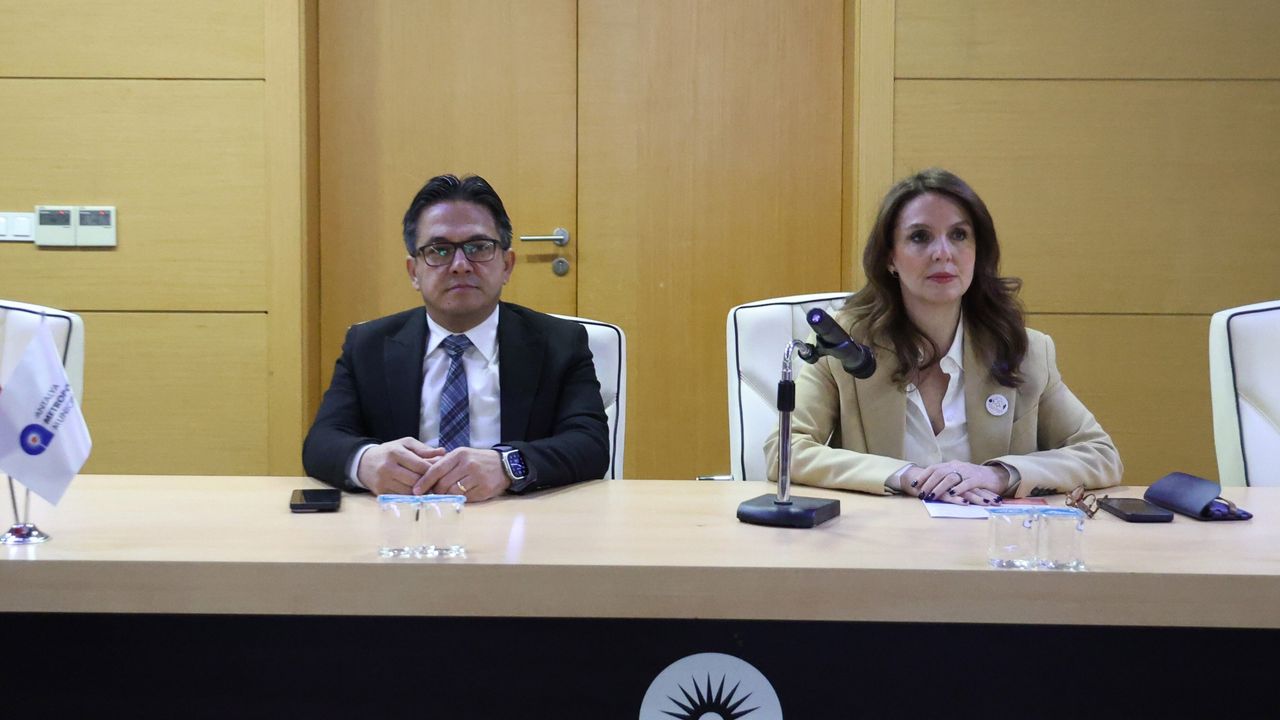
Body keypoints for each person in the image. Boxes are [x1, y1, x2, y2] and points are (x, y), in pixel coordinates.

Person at [765, 168, 1121, 504]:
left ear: (977, 252)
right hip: (880, 540)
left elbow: (1100, 454)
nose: (943, 253)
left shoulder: (1023, 351)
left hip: (990, 542)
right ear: (890, 257)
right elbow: (784, 449)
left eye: (959, 235)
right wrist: (904, 475)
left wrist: (999, 475)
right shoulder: (846, 345)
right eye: (920, 237)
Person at [303, 174, 610, 501]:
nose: (460, 265)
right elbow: (322, 441)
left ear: (507, 265)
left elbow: (590, 444)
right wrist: (365, 461)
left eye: (478, 247)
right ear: (414, 272)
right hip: (403, 521)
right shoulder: (368, 345)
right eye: (439, 250)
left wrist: (507, 466)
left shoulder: (560, 343)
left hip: (516, 519)